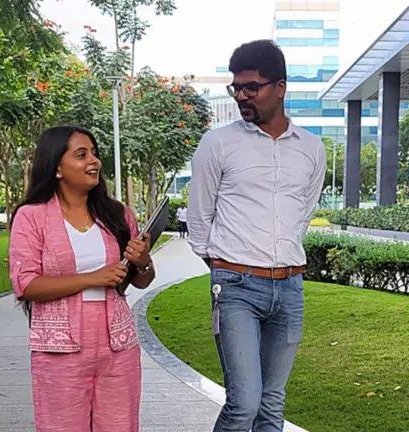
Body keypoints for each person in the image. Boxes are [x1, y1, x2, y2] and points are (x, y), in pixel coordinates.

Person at [187, 40, 326, 432]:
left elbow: (303, 211)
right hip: (235, 287)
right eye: (237, 88)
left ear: (280, 88)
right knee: (244, 404)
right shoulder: (218, 143)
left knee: (271, 407)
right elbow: (200, 220)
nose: (241, 96)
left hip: (290, 289)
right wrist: (226, 267)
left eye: (252, 87)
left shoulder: (312, 149)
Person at [9, 125, 155, 432]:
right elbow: (26, 285)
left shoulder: (118, 214)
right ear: (57, 167)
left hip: (118, 345)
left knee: (121, 426)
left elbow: (138, 280)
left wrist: (142, 262)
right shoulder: (31, 217)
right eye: (81, 154)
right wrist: (91, 278)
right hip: (59, 348)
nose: (94, 161)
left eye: (94, 153)